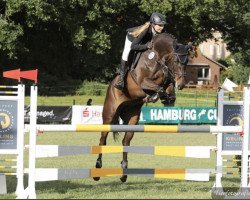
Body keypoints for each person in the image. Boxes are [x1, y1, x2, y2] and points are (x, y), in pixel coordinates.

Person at [114, 12, 167, 90]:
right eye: (159, 25)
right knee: (126, 55)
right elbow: (134, 46)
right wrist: (146, 46)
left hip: (144, 40)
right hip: (132, 38)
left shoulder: (162, 31)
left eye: (162, 25)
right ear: (153, 24)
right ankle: (121, 81)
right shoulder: (144, 31)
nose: (161, 27)